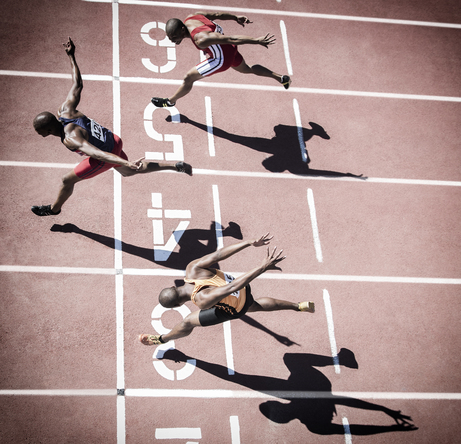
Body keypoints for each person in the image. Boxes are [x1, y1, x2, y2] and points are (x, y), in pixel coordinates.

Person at [32, 37, 192, 217]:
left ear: (47, 131)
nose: (38, 134)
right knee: (128, 171)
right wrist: (71, 56)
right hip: (113, 140)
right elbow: (77, 84)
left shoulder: (71, 139)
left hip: (105, 154)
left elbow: (96, 154)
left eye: (38, 132)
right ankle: (174, 166)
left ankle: (54, 209)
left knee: (67, 180)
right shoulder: (65, 110)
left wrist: (123, 161)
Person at [139, 233, 315, 345]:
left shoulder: (201, 299)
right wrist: (248, 242)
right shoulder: (192, 269)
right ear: (174, 286)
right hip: (243, 287)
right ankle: (298, 306)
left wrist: (262, 267)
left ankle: (162, 339)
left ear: (178, 305)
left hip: (236, 299)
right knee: (253, 305)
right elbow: (218, 254)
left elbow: (231, 288)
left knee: (187, 322)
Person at [151, 12, 291, 108]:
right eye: (170, 38)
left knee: (188, 78)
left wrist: (257, 41)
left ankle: (170, 102)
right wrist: (235, 17)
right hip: (230, 49)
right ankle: (281, 78)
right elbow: (217, 15)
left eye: (174, 37)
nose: (172, 40)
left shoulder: (201, 39)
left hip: (221, 59)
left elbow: (231, 38)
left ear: (182, 30)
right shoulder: (192, 17)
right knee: (247, 68)